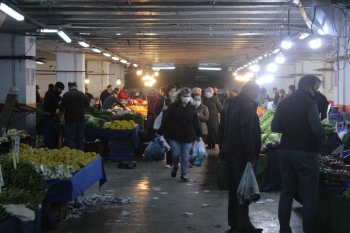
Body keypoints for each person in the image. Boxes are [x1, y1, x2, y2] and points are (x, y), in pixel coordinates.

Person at [271, 75, 326, 233]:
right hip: (306, 154)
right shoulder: (310, 104)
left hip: (286, 152)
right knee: (309, 197)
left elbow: (275, 127)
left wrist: (291, 128)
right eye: (316, 88)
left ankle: (284, 229)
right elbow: (318, 130)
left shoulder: (284, 103)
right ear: (308, 87)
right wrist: (322, 137)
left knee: (286, 193)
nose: (316, 91)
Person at [218, 81, 262, 233]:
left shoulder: (229, 103)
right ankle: (243, 222)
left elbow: (221, 128)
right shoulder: (248, 105)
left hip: (229, 151)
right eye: (256, 92)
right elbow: (246, 131)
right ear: (251, 91)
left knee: (233, 189)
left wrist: (222, 152)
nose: (257, 95)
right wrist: (251, 155)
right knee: (244, 189)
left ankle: (234, 221)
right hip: (241, 153)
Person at [158, 87, 202, 182]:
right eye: (184, 96)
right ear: (180, 96)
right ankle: (175, 166)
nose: (186, 97)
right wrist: (160, 131)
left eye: (188, 96)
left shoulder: (192, 107)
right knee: (176, 154)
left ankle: (183, 174)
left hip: (188, 135)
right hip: (174, 135)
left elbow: (196, 122)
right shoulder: (173, 106)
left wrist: (199, 134)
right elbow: (168, 120)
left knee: (185, 155)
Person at [59, 82, 89, 150]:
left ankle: (73, 154)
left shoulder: (66, 95)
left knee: (70, 138)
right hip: (81, 119)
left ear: (69, 86)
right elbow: (87, 106)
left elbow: (62, 108)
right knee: (80, 138)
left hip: (70, 120)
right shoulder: (82, 94)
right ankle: (81, 154)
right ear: (76, 86)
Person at [155, 84, 177, 168]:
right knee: (168, 143)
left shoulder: (177, 100)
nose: (173, 93)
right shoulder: (164, 100)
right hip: (167, 124)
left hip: (176, 125)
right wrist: (162, 109)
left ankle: (176, 161)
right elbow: (156, 111)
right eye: (172, 91)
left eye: (174, 91)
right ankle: (169, 162)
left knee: (176, 144)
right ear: (168, 91)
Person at [43, 82, 65, 149]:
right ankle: (49, 150)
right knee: (49, 135)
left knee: (55, 135)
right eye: (59, 89)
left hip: (54, 117)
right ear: (55, 88)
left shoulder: (56, 96)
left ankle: (54, 150)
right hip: (48, 117)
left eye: (61, 90)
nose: (60, 91)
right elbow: (52, 105)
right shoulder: (50, 95)